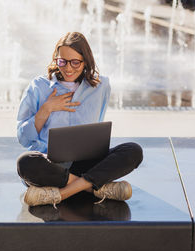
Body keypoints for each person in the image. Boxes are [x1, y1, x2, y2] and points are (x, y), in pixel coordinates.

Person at [16, 32, 143, 207]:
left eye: (75, 62)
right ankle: (96, 189)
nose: (68, 68)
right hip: (51, 166)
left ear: (86, 61)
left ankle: (60, 194)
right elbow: (23, 138)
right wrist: (46, 109)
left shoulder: (101, 86)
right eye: (62, 61)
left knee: (133, 150)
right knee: (25, 162)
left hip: (86, 164)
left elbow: (97, 128)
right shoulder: (38, 86)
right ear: (56, 60)